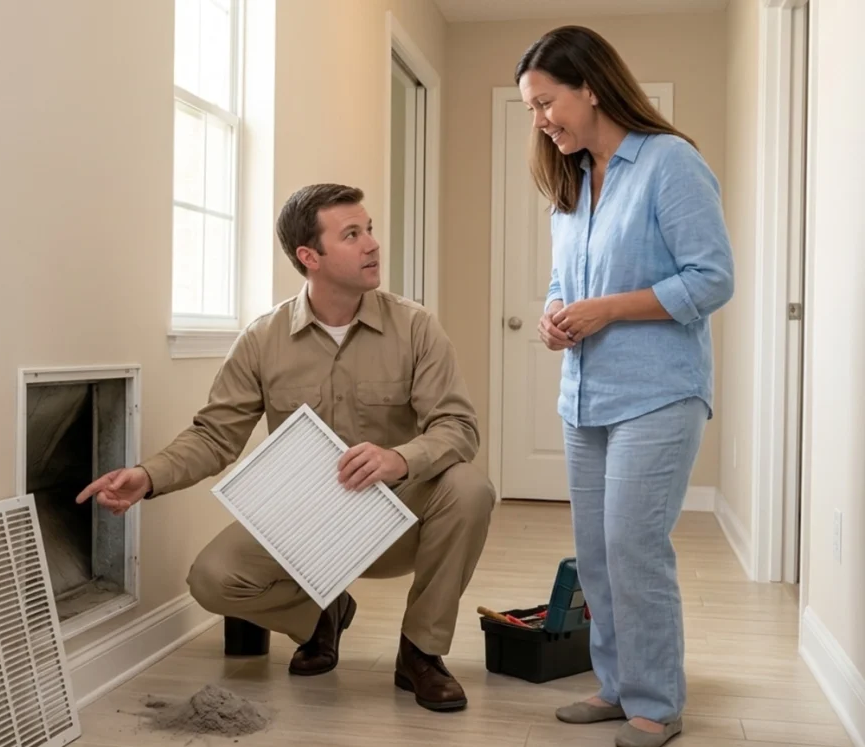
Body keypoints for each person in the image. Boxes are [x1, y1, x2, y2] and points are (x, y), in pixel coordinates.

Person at [76, 183, 495, 712]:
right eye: (352, 234)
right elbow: (215, 435)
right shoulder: (262, 339)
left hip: (397, 519)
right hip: (305, 527)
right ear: (309, 256)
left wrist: (398, 459)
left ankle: (420, 654)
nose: (371, 244)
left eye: (369, 230)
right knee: (212, 579)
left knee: (470, 488)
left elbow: (458, 427)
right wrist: (149, 475)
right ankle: (323, 610)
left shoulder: (416, 327)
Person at [514, 26, 735, 747]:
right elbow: (562, 281)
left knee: (634, 546)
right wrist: (554, 316)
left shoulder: (669, 163)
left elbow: (712, 278)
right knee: (597, 550)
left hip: (659, 392)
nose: (542, 120)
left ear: (590, 87)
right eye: (531, 110)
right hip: (585, 395)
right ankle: (615, 685)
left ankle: (656, 702)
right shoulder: (572, 182)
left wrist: (607, 308)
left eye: (547, 102)